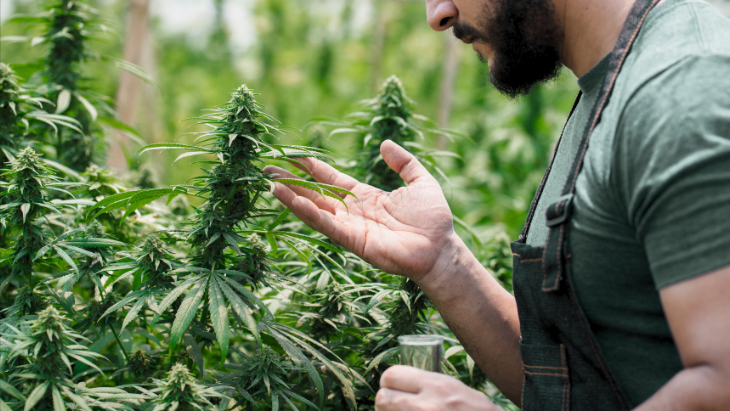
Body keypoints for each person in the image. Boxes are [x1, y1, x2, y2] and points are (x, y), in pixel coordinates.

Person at [264, 0, 730, 409]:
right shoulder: (609, 80)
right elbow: (573, 378)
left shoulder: (683, 90)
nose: (438, 15)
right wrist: (443, 263)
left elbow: (721, 387)